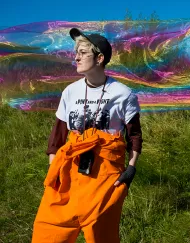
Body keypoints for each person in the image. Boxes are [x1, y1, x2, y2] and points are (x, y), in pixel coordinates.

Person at [31, 28, 143, 243]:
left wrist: (130, 170)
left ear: (100, 58)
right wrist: (54, 170)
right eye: (76, 52)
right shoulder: (70, 91)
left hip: (105, 176)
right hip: (69, 172)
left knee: (100, 235)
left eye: (83, 52)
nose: (76, 57)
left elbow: (134, 135)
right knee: (49, 229)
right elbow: (57, 136)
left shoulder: (123, 94)